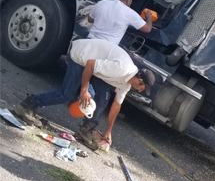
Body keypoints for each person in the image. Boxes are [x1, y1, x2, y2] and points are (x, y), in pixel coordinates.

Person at [16, 38, 155, 148]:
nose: (141, 91)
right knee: (66, 94)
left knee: (104, 98)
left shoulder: (127, 84)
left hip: (95, 66)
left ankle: (86, 129)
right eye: (143, 88)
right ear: (140, 80)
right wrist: (84, 90)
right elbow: (89, 64)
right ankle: (28, 104)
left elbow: (116, 106)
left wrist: (108, 131)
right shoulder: (122, 69)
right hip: (81, 56)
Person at [87, 0, 153, 44]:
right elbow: (147, 29)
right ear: (129, 0)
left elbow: (90, 20)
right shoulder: (130, 13)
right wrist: (149, 17)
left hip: (90, 40)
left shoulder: (102, 3)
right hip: (106, 47)